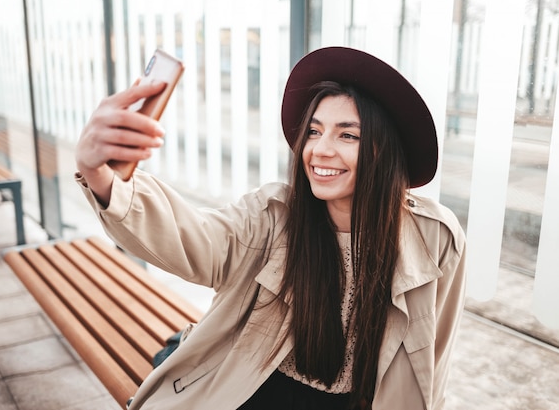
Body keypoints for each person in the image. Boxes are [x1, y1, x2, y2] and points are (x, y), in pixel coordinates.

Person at [75, 46, 466, 410]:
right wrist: (101, 174)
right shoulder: (273, 215)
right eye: (314, 131)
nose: (320, 150)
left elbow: (432, 360)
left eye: (348, 135)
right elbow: (194, 237)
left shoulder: (436, 238)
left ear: (386, 149)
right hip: (256, 389)